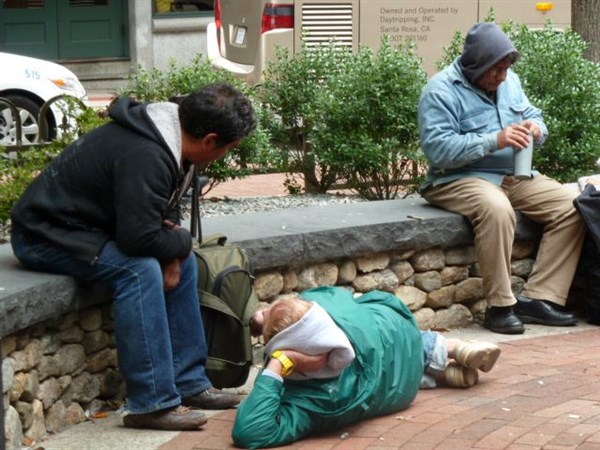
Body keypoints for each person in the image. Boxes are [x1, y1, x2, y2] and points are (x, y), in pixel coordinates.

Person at [10, 83, 257, 431]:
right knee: (139, 270)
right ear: (209, 140)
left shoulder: (173, 138)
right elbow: (138, 237)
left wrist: (176, 252)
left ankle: (189, 382)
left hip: (90, 230)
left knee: (183, 262)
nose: (225, 155)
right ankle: (151, 403)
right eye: (228, 148)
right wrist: (180, 242)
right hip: (44, 236)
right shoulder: (147, 153)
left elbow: (161, 211)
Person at [417, 22, 586, 335]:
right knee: (496, 209)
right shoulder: (440, 90)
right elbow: (438, 150)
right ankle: (499, 307)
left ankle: (540, 298)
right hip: (457, 177)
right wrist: (495, 140)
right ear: (476, 65)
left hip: (513, 175)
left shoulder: (510, 82)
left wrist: (537, 129)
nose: (503, 77)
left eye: (506, 69)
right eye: (496, 70)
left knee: (574, 205)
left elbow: (532, 114)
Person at [233, 287, 501, 449]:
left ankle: (443, 372)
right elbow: (366, 298)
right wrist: (270, 313)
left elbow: (251, 431)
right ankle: (452, 349)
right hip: (393, 334)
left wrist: (279, 363)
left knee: (397, 368)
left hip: (402, 390)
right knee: (399, 340)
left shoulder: (316, 399)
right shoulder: (329, 315)